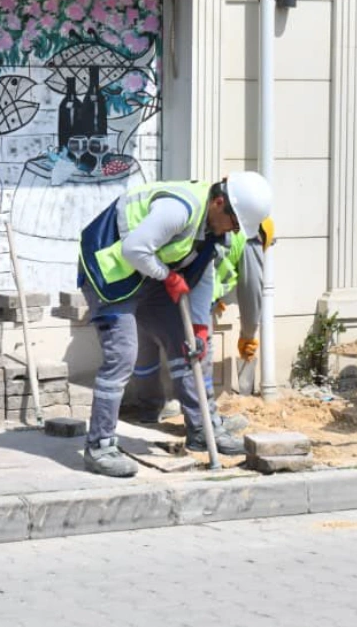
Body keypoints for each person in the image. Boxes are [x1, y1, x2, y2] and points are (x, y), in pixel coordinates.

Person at [77, 171, 273, 477]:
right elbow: (134, 249)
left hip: (144, 276)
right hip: (109, 270)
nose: (234, 230)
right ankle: (99, 446)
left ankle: (202, 429)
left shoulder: (213, 225)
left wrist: (200, 327)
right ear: (219, 203)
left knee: (188, 346)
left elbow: (204, 273)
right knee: (122, 356)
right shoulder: (180, 209)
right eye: (234, 223)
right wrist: (167, 277)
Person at [126, 216, 275, 424]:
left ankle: (150, 409)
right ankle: (205, 423)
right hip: (192, 301)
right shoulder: (250, 240)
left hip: (151, 290)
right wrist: (248, 335)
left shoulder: (199, 220)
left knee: (146, 352)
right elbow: (252, 291)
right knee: (196, 361)